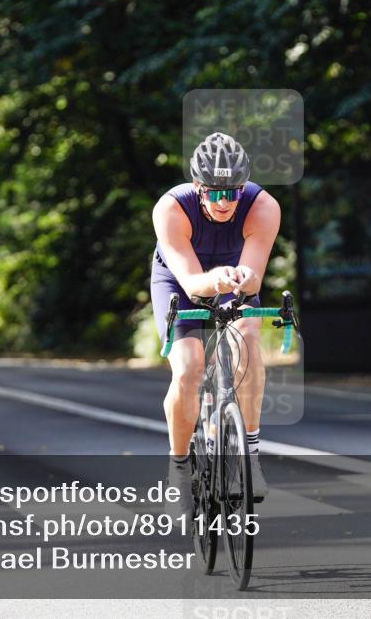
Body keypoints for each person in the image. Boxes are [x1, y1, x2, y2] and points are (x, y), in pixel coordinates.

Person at [151, 132, 281, 510]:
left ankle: (250, 457)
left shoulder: (263, 206)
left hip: (234, 280)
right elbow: (192, 283)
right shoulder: (171, 209)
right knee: (189, 368)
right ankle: (178, 467)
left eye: (233, 192)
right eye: (214, 192)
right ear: (197, 187)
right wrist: (215, 279)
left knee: (248, 336)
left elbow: (254, 274)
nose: (224, 201)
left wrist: (242, 279)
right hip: (179, 280)